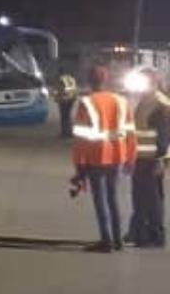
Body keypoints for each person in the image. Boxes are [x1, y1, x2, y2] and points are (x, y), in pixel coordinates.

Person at [71, 65, 137, 253]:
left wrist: (79, 166)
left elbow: (81, 138)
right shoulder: (122, 102)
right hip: (118, 155)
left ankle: (106, 240)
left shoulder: (87, 102)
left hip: (96, 157)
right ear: (106, 80)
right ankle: (118, 240)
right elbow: (131, 133)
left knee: (100, 200)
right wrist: (131, 157)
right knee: (113, 198)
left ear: (90, 81)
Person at [127, 70, 170, 248]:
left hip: (152, 158)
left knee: (152, 198)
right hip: (141, 157)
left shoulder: (160, 103)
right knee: (140, 197)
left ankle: (155, 235)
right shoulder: (146, 100)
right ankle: (138, 232)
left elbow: (165, 135)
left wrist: (161, 160)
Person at [54, 69, 78, 140]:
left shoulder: (61, 79)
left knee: (64, 117)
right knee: (68, 116)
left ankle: (64, 132)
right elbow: (74, 89)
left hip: (64, 99)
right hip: (72, 99)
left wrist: (57, 98)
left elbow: (61, 90)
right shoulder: (71, 78)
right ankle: (69, 132)